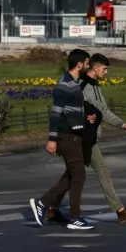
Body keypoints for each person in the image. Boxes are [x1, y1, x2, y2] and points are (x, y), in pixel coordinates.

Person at [48, 54, 126, 225]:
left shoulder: (95, 86)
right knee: (102, 171)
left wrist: (122, 124)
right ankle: (120, 211)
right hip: (83, 138)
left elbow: (103, 111)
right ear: (95, 68)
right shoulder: (82, 86)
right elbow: (70, 109)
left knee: (72, 174)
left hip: (89, 137)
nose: (106, 72)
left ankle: (50, 208)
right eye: (104, 69)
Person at [29, 48, 94, 231]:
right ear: (79, 64)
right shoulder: (64, 85)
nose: (88, 67)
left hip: (74, 135)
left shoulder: (73, 83)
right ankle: (74, 217)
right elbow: (56, 113)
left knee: (72, 175)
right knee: (79, 175)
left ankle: (43, 203)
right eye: (87, 64)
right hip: (66, 137)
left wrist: (85, 119)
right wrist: (52, 139)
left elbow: (70, 110)